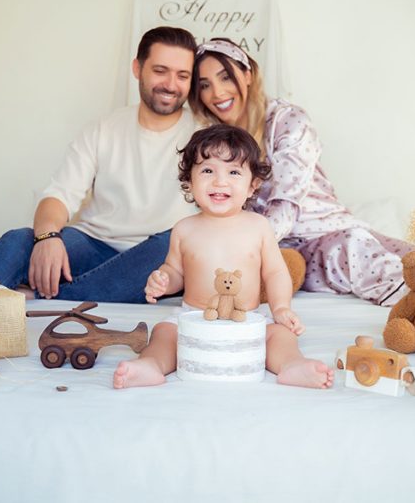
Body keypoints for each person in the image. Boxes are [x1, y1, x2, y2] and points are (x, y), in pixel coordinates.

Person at [190, 39, 415, 363]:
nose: (216, 92)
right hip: (284, 253)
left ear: (248, 74)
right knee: (348, 256)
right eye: (204, 85)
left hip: (322, 230)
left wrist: (243, 246)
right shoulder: (216, 141)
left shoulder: (288, 121)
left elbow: (287, 202)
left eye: (225, 77)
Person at [0, 26, 199, 302]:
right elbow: (59, 195)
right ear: (137, 68)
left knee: (172, 243)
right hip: (95, 244)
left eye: (182, 75)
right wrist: (47, 237)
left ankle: (39, 297)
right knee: (21, 239)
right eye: (160, 71)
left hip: (155, 258)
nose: (171, 84)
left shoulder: (203, 135)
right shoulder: (104, 129)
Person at [113, 124, 334, 389]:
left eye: (233, 172)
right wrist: (163, 280)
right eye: (207, 171)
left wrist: (281, 308)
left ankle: (291, 365)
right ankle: (151, 365)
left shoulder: (258, 226)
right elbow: (176, 271)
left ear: (253, 186)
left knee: (280, 335)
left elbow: (275, 272)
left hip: (248, 317)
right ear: (189, 181)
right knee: (164, 333)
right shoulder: (184, 229)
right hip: (194, 317)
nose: (220, 181)